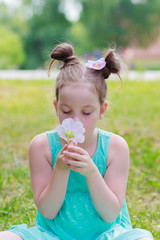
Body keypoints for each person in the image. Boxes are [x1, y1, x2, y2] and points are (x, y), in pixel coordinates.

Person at [0, 43, 154, 240]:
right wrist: (61, 169)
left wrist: (91, 171)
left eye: (87, 112)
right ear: (56, 107)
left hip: (107, 234)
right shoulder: (42, 147)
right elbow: (47, 211)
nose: (76, 120)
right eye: (66, 111)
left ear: (102, 110)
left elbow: (110, 214)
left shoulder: (116, 147)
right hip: (51, 234)